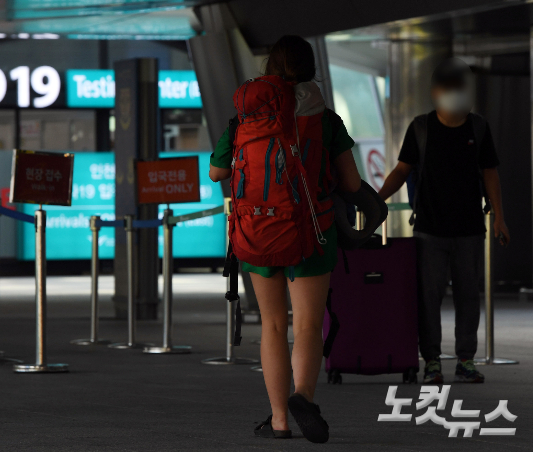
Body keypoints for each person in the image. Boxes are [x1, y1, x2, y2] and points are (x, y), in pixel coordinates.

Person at [209, 36, 361, 443]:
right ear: (310, 68)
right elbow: (350, 181)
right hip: (311, 233)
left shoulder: (245, 118)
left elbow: (217, 172)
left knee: (273, 326)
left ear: (269, 69)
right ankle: (304, 397)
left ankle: (279, 420)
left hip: (257, 231)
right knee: (309, 324)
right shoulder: (325, 119)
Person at [379, 58, 510, 384]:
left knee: (468, 296)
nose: (457, 95)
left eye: (461, 89)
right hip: (429, 230)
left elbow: (490, 173)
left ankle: (466, 359)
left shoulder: (477, 128)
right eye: (451, 89)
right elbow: (401, 170)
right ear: (437, 92)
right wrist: (375, 200)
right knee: (429, 298)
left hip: (469, 230)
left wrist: (499, 218)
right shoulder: (421, 128)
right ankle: (432, 361)